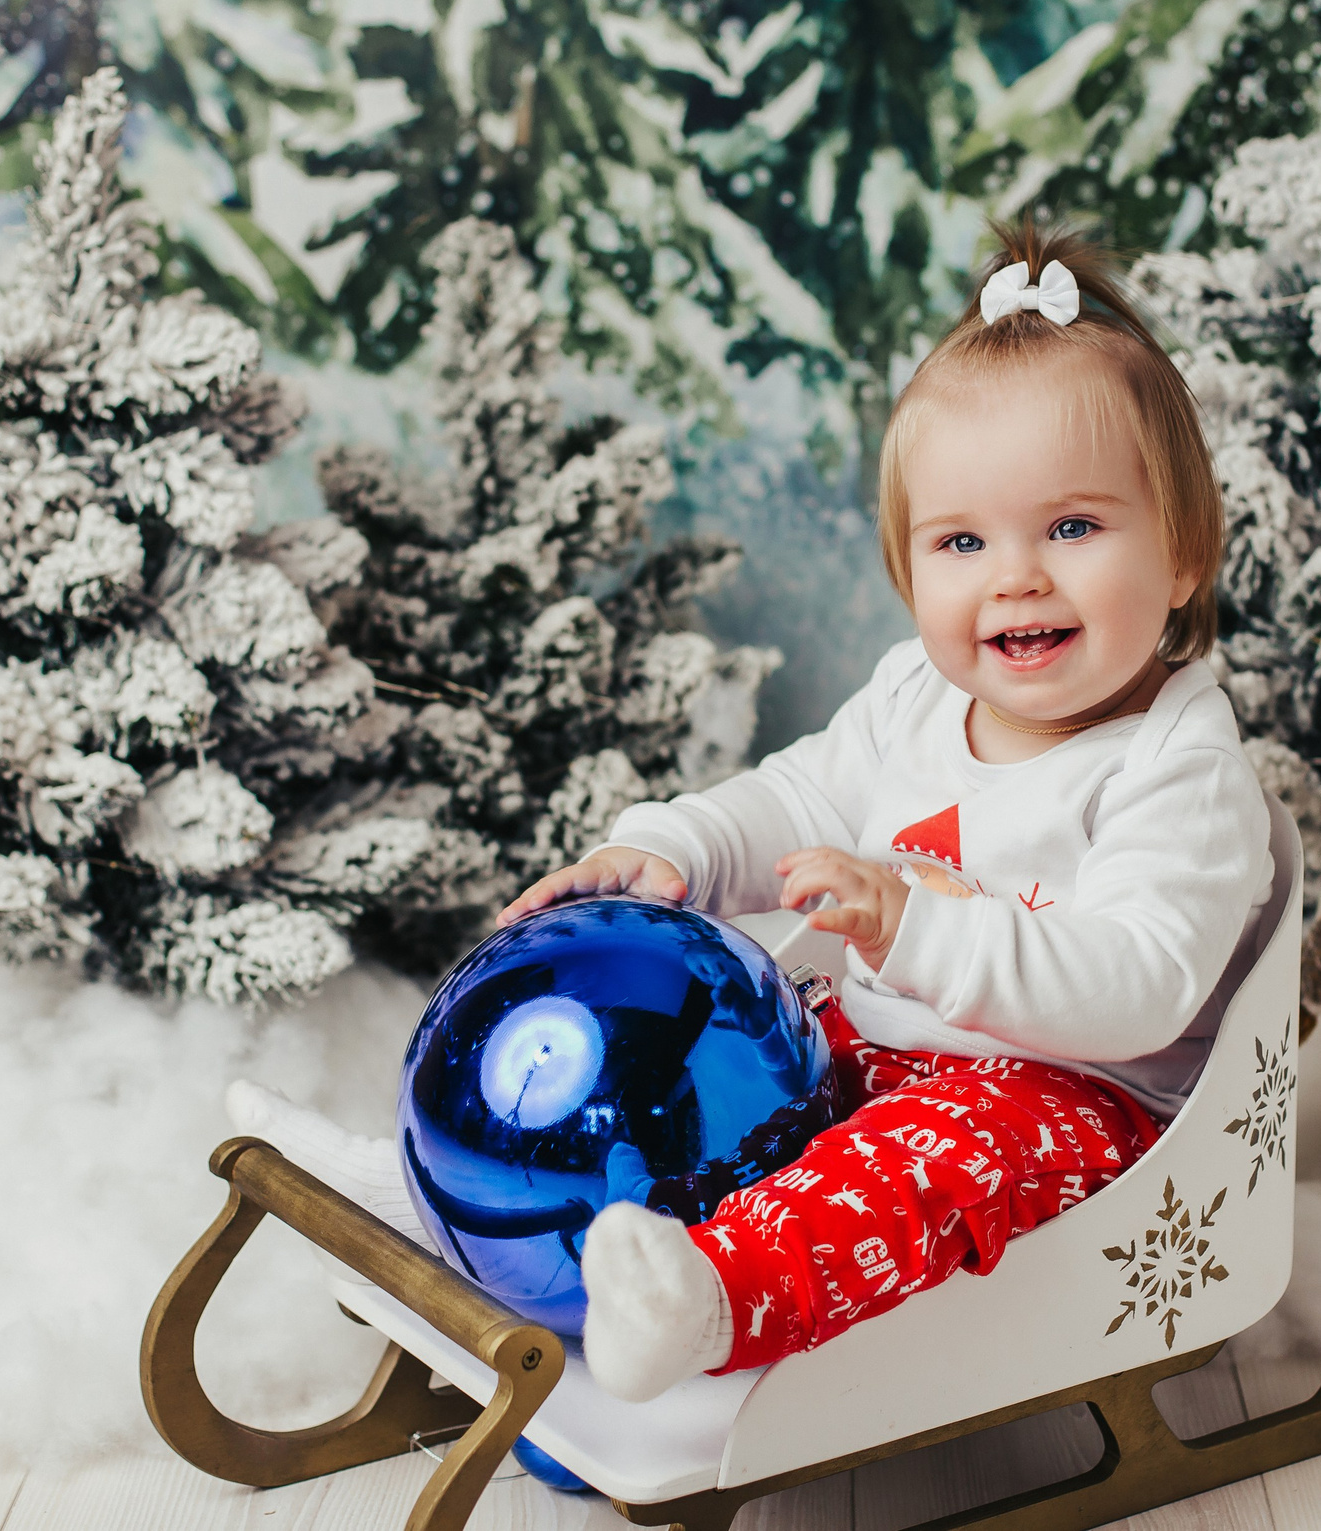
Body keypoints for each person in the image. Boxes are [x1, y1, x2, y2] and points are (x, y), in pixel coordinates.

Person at [495, 219, 1278, 1401]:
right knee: (733, 1064)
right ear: (913, 575)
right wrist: (671, 852)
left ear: (1182, 557)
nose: (1016, 575)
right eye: (962, 540)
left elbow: (1137, 983)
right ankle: (530, 1219)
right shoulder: (915, 698)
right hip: (884, 1046)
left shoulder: (1176, 768)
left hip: (1073, 1105)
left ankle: (707, 1305)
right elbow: (798, 794)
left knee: (916, 1168)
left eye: (1073, 527)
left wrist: (914, 928)